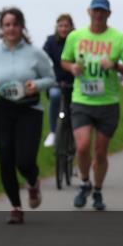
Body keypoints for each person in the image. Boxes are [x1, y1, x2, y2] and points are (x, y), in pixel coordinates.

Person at [0, 7, 56, 224]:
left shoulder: (35, 53)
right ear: (2, 29)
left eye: (15, 24)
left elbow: (50, 78)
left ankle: (32, 182)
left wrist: (36, 85)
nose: (11, 29)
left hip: (29, 109)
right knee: (5, 158)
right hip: (3, 109)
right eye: (7, 25)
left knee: (25, 159)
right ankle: (16, 207)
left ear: (22, 27)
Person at [61, 0, 123, 211]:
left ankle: (98, 190)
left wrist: (114, 65)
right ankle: (85, 182)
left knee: (101, 152)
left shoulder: (119, 38)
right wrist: (72, 68)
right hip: (82, 99)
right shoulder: (75, 36)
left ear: (109, 14)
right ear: (89, 12)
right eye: (95, 10)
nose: (99, 14)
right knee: (83, 147)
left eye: (103, 11)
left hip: (108, 102)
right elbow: (65, 60)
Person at [42, 14, 75, 147]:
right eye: (61, 26)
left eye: (66, 26)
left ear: (71, 27)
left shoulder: (76, 40)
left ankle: (74, 134)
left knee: (75, 106)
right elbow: (42, 58)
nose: (63, 29)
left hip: (74, 82)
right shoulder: (50, 41)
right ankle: (53, 132)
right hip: (56, 81)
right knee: (55, 96)